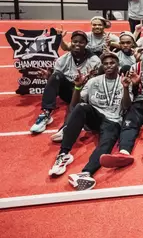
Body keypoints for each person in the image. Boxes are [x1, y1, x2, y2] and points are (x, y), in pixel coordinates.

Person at [47, 52, 133, 191]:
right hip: (95, 116)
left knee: (106, 144)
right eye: (105, 64)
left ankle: (86, 173)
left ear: (118, 65)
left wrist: (124, 88)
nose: (108, 66)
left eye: (112, 63)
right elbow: (73, 106)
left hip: (113, 120)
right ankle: (64, 154)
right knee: (81, 107)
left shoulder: (124, 81)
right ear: (102, 66)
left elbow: (126, 106)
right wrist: (77, 87)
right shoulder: (94, 81)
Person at [98, 38, 143, 166]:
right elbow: (131, 94)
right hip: (140, 101)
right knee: (129, 120)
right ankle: (124, 152)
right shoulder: (135, 68)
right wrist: (134, 85)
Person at [30, 31, 101, 134]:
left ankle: (67, 127)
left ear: (86, 44)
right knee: (56, 76)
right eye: (75, 42)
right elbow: (58, 81)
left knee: (77, 104)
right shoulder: (62, 59)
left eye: (81, 42)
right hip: (69, 91)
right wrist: (49, 77)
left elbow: (95, 84)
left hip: (85, 93)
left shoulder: (94, 60)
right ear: (71, 42)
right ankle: (46, 114)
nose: (77, 44)